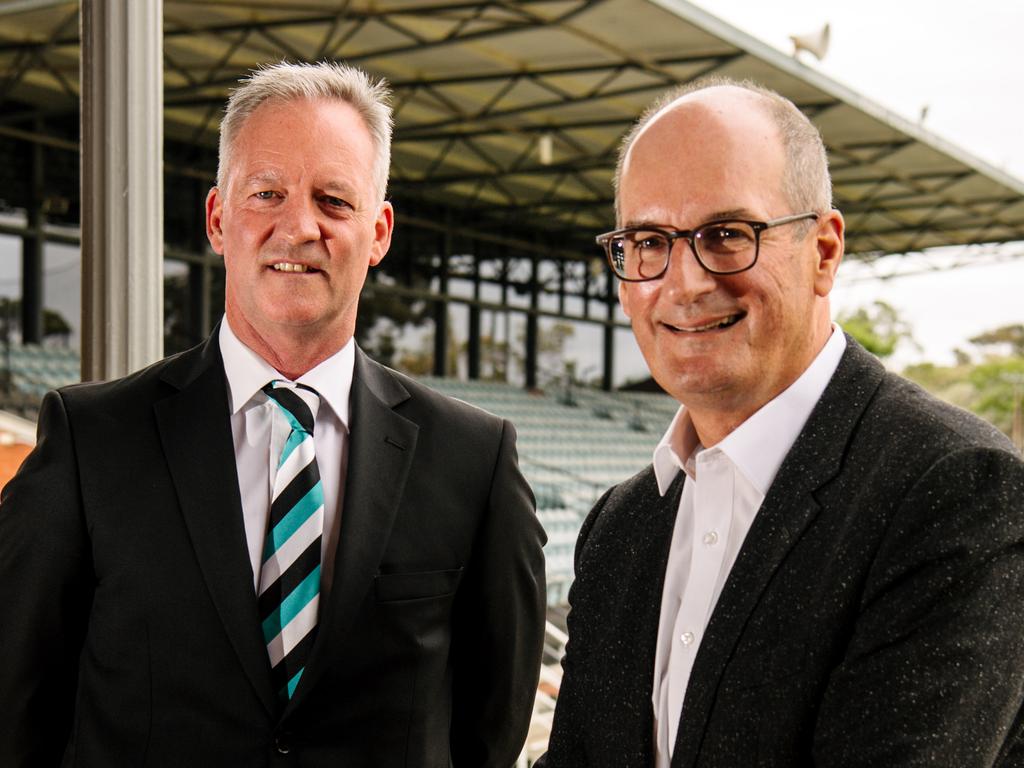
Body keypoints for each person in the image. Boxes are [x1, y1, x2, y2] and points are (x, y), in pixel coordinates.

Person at [0, 61, 546, 767]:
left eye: (334, 200)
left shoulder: (475, 461)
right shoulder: (89, 442)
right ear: (218, 219)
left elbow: (491, 732)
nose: (300, 226)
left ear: (378, 232)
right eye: (267, 193)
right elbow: (16, 711)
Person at [538, 77, 1024, 767]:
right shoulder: (621, 526)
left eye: (727, 234)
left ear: (823, 252)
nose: (683, 283)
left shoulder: (954, 491)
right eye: (648, 241)